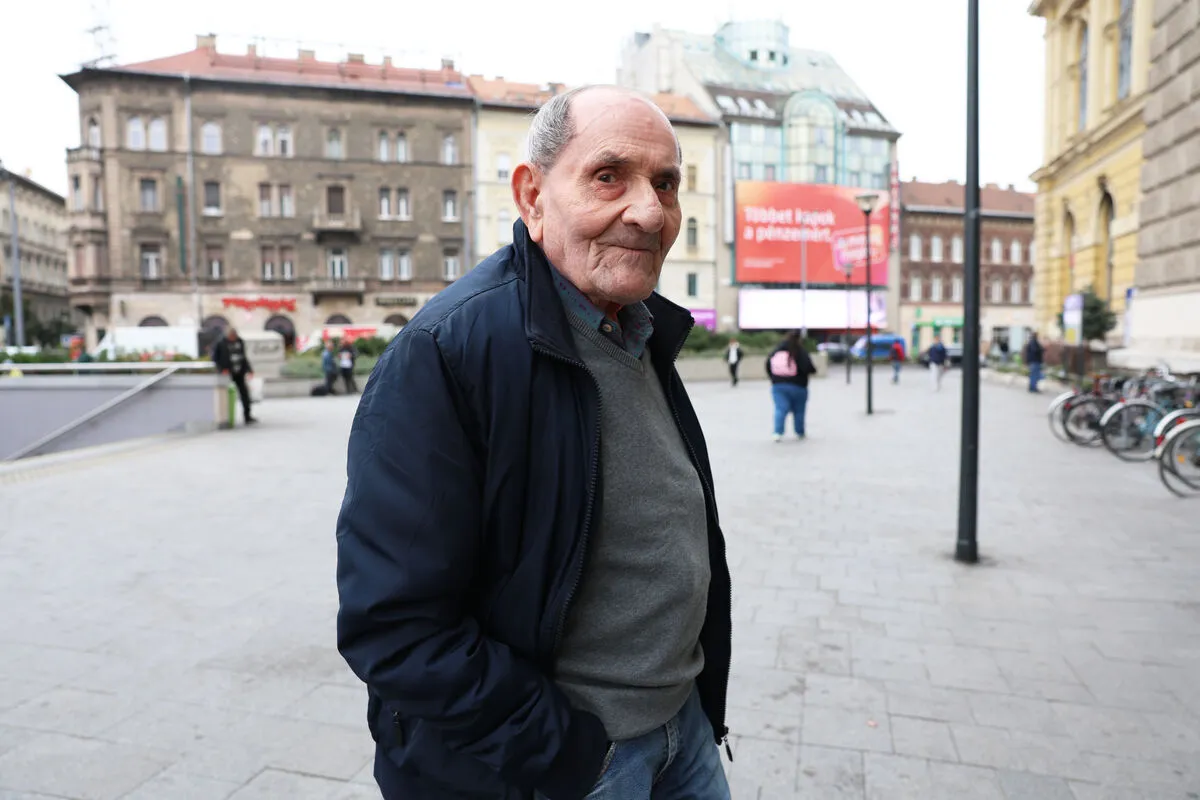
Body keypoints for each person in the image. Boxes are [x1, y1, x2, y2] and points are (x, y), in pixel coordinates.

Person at [335, 86, 732, 800]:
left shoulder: (640, 328)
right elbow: (395, 627)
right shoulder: (446, 350)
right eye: (609, 176)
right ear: (532, 196)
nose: (649, 211)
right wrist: (566, 753)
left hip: (684, 731)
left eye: (665, 183)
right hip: (568, 765)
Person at [766, 330, 817, 442]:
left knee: (780, 408)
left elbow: (768, 365)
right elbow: (808, 367)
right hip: (798, 386)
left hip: (778, 386)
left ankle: (777, 432)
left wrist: (774, 378)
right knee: (799, 410)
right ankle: (800, 432)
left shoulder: (776, 351)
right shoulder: (800, 351)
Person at [211, 327, 255, 424]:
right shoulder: (220, 343)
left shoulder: (240, 342)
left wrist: (249, 370)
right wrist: (221, 369)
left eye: (234, 336)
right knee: (225, 394)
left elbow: (244, 357)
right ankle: (225, 417)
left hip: (239, 372)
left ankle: (247, 416)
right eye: (231, 336)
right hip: (226, 372)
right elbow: (215, 358)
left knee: (244, 394)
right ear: (228, 336)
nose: (233, 338)